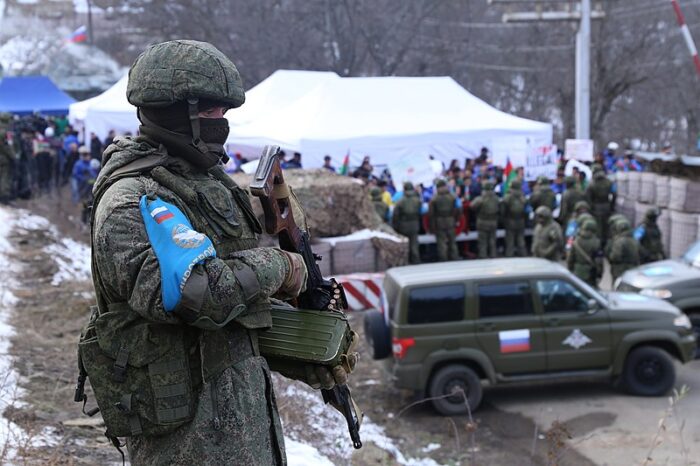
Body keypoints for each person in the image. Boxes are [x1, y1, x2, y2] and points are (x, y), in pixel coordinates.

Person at [84, 40, 356, 465]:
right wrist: (279, 265)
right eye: (212, 112)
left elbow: (225, 319)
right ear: (178, 113)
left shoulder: (205, 185)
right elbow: (193, 296)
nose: (222, 123)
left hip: (243, 429)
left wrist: (299, 350)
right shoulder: (133, 200)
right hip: (186, 444)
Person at [428, 179, 459, 261]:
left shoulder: (434, 199)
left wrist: (432, 226)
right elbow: (458, 209)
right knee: (452, 241)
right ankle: (454, 257)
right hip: (450, 220)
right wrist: (456, 219)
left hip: (439, 222)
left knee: (441, 242)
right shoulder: (452, 197)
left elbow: (431, 214)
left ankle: (443, 259)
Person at [566, 218, 602, 287]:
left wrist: (571, 269)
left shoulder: (576, 241)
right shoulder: (596, 243)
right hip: (590, 273)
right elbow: (599, 262)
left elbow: (570, 259)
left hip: (577, 272)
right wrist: (599, 274)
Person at [393, 181, 422, 264]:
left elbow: (396, 215)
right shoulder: (418, 200)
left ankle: (405, 261)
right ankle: (416, 260)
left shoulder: (400, 202)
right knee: (414, 244)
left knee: (404, 244)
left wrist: (396, 226)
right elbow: (420, 212)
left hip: (403, 225)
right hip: (414, 224)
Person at [470, 180, 499, 258]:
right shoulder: (496, 199)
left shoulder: (480, 198)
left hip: (482, 221)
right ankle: (493, 255)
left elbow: (472, 206)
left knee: (483, 241)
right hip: (493, 221)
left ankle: (483, 256)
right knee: (492, 240)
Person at [586, 166, 614, 244]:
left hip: (596, 207)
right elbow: (614, 194)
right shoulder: (609, 182)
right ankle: (606, 243)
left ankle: (599, 244)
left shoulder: (591, 184)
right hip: (607, 206)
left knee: (598, 227)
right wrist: (611, 206)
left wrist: (591, 208)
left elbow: (588, 198)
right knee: (607, 226)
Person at [501, 179, 528, 257]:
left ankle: (509, 256)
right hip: (521, 220)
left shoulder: (507, 197)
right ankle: (523, 255)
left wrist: (504, 219)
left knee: (510, 240)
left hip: (510, 220)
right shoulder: (523, 197)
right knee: (521, 240)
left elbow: (503, 210)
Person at [607, 218, 640, 282]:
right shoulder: (635, 240)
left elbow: (615, 256)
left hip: (619, 270)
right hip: (632, 269)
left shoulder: (619, 241)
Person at [0, 113, 15, 204]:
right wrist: (13, 157)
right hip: (4, 158)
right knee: (5, 177)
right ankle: (4, 197)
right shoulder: (5, 132)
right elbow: (7, 147)